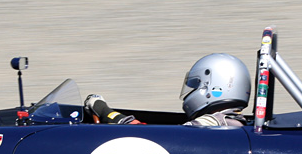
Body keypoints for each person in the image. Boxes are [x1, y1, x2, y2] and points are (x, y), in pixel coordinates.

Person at [84, 53, 252, 127]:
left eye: (196, 85)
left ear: (214, 86)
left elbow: (150, 136)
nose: (191, 91)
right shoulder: (230, 121)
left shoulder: (213, 124)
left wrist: (104, 111)